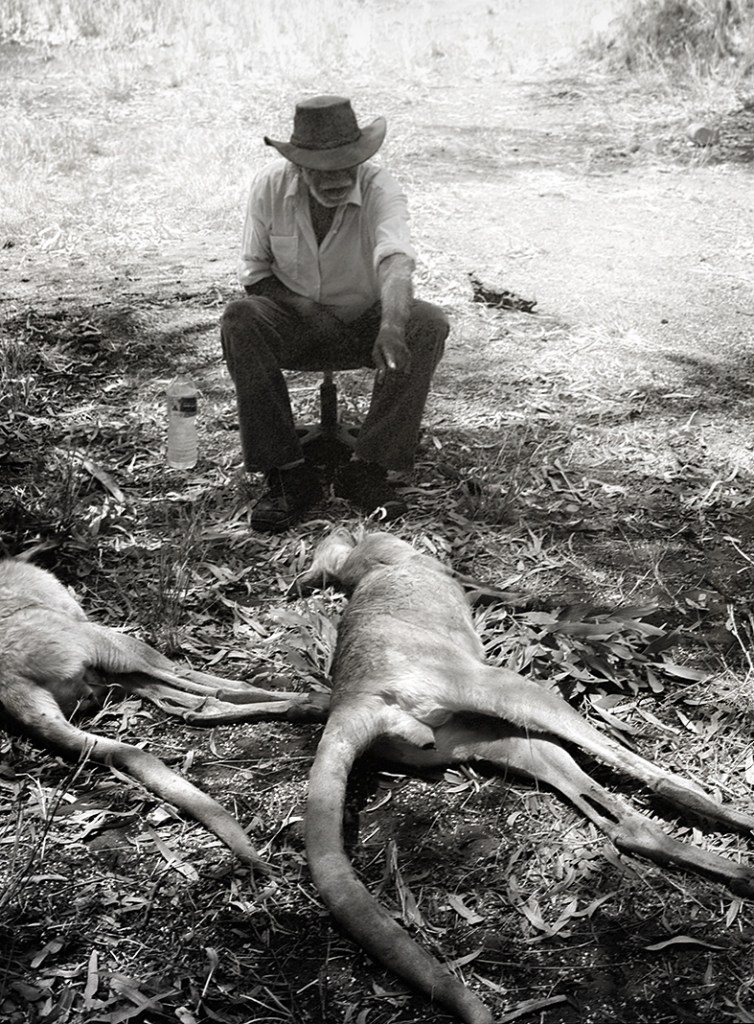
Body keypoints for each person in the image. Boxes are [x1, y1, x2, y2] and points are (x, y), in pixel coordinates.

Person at [220, 95, 449, 532]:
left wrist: (391, 325)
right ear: (297, 164)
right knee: (241, 319)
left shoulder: (382, 187)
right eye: (323, 169)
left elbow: (396, 261)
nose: (338, 178)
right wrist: (308, 311)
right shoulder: (269, 186)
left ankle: (367, 469)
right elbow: (255, 274)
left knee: (427, 323)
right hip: (295, 321)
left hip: (366, 321)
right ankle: (286, 474)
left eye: (348, 164)